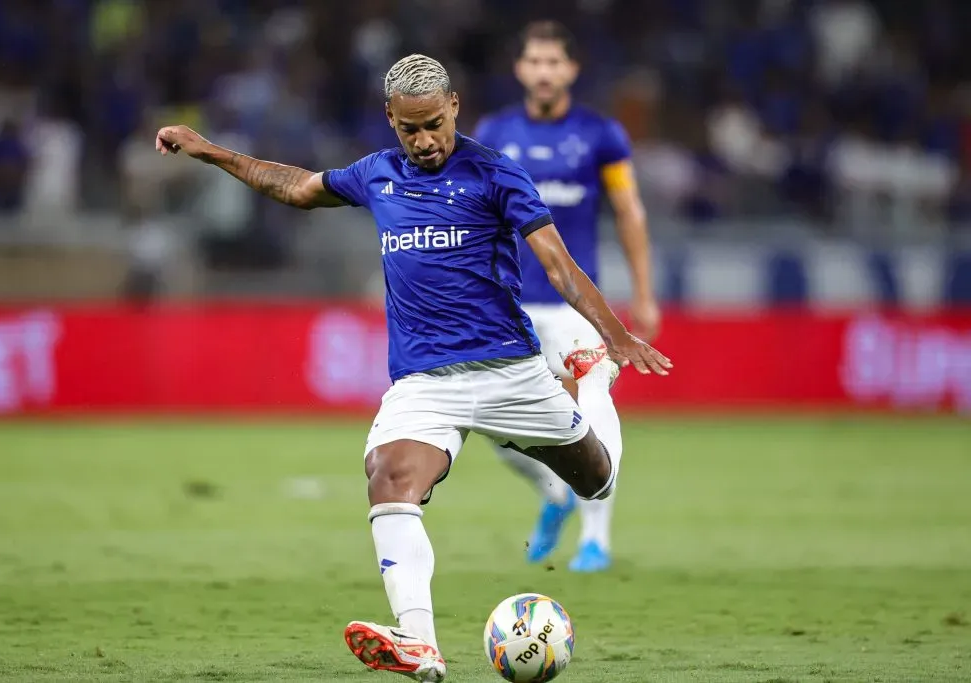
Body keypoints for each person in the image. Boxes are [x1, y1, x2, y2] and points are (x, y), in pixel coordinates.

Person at [155, 53, 672, 683]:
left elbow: (558, 266)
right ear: (390, 119)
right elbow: (296, 186)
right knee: (388, 476)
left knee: (597, 482)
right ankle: (420, 644)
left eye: (433, 125)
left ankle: (593, 380)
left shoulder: (495, 174)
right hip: (425, 382)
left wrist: (614, 338)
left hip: (512, 372)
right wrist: (209, 151)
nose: (424, 141)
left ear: (454, 106)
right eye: (409, 129)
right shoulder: (376, 174)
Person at [473, 20, 660, 573]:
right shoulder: (494, 132)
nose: (544, 72)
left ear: (571, 69)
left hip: (576, 303)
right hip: (511, 303)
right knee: (490, 419)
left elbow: (628, 212)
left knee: (592, 393)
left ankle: (595, 539)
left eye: (554, 62)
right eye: (535, 61)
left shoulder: (602, 135)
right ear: (520, 69)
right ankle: (555, 492)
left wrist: (644, 293)